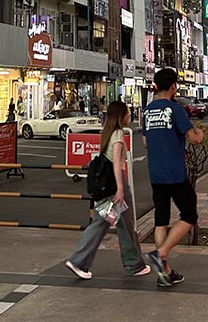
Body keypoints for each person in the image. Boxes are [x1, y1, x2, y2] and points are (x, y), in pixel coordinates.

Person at [65, 101, 151, 280]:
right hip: (116, 186)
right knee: (125, 225)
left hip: (106, 186)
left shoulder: (107, 132)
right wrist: (120, 189)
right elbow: (117, 165)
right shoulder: (118, 134)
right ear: (121, 116)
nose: (129, 116)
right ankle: (133, 265)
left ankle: (79, 260)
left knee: (100, 223)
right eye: (127, 113)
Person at [142, 68, 204, 288]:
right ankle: (162, 253)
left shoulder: (148, 111)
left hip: (155, 173)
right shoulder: (176, 109)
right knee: (189, 213)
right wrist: (200, 134)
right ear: (173, 86)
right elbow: (194, 139)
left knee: (161, 219)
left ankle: (164, 273)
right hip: (175, 173)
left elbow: (146, 142)